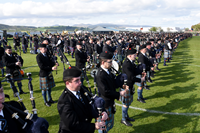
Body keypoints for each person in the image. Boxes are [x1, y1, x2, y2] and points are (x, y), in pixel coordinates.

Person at [57, 66, 107, 133]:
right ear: (67, 83)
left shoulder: (82, 89)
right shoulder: (64, 101)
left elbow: (92, 102)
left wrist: (103, 112)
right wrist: (93, 126)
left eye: (80, 79)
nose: (80, 82)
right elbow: (73, 124)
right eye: (76, 80)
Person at [96, 51, 127, 133]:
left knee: (109, 124)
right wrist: (119, 94)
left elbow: (113, 84)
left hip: (110, 101)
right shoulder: (100, 75)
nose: (111, 64)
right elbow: (105, 92)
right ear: (103, 62)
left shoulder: (108, 71)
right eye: (110, 62)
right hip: (105, 103)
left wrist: (121, 81)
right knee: (103, 125)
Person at [121, 48, 145, 126]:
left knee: (128, 103)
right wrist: (140, 79)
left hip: (130, 85)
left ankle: (126, 116)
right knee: (125, 103)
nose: (136, 56)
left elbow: (134, 71)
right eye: (134, 55)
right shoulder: (127, 64)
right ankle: (123, 119)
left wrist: (141, 70)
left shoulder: (130, 62)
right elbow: (130, 77)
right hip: (126, 86)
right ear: (130, 55)